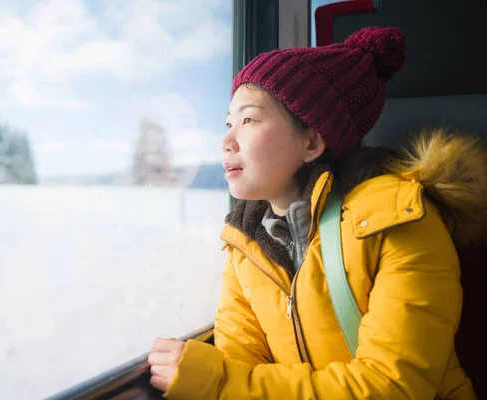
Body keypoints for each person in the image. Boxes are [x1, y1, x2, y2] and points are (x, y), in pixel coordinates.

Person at [148, 26, 484, 399]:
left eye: (249, 120)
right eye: (228, 123)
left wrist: (215, 382)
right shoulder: (245, 245)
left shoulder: (401, 220)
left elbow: (391, 387)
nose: (226, 140)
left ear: (311, 141)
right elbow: (240, 363)